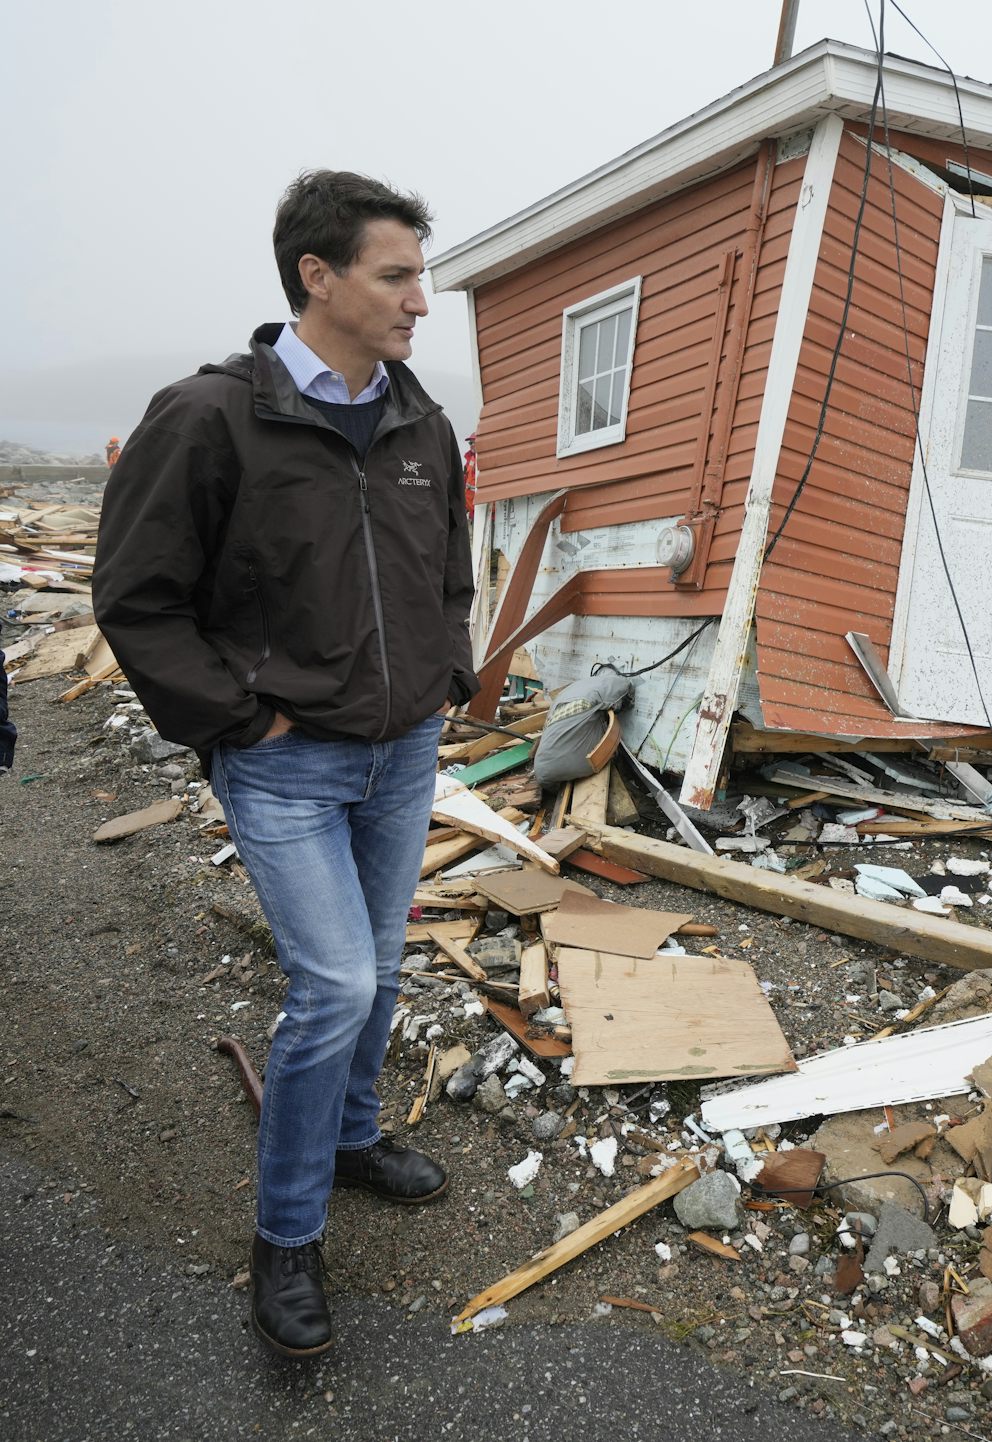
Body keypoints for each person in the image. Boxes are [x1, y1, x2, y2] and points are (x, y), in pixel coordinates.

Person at [93, 170, 478, 1358]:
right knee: (335, 987)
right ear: (318, 277)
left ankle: (352, 1136)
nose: (424, 297)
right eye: (397, 273)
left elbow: (448, 572)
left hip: (402, 747)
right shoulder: (209, 416)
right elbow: (139, 599)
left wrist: (444, 677)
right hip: (288, 761)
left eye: (422, 271)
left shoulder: (420, 421)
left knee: (378, 963)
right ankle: (287, 1232)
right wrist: (237, 721)